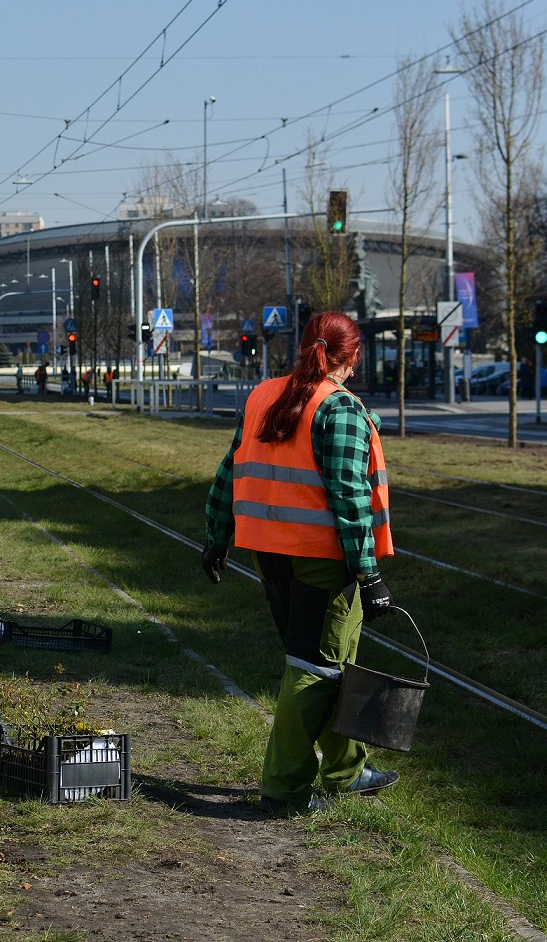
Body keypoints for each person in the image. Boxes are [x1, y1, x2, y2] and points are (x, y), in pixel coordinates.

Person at [201, 311, 399, 816]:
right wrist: (369, 573)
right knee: (315, 669)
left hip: (268, 551)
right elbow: (350, 498)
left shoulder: (263, 395)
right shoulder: (341, 410)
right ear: (352, 356)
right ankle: (284, 788)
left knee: (330, 664)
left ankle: (346, 771)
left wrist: (216, 536)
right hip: (321, 560)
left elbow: (231, 468)